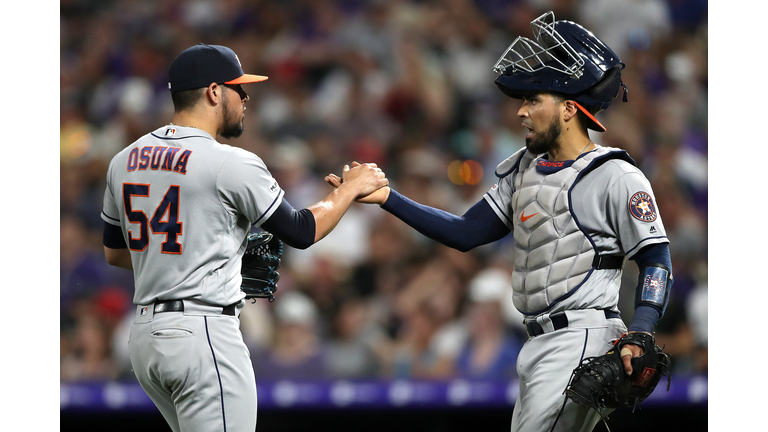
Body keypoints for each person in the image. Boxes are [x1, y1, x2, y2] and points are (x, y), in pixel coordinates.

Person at [326, 12, 673, 432]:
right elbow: (467, 232)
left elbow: (656, 257)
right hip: (539, 344)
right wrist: (387, 198)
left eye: (533, 100)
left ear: (568, 109)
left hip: (582, 336)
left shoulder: (615, 174)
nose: (521, 112)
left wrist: (640, 332)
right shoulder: (525, 169)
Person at [100, 43, 388, 432]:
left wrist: (203, 253)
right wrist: (349, 189)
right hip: (202, 333)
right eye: (239, 88)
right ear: (214, 92)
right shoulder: (230, 161)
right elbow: (303, 230)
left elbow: (116, 253)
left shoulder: (125, 159)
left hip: (145, 340)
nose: (246, 97)